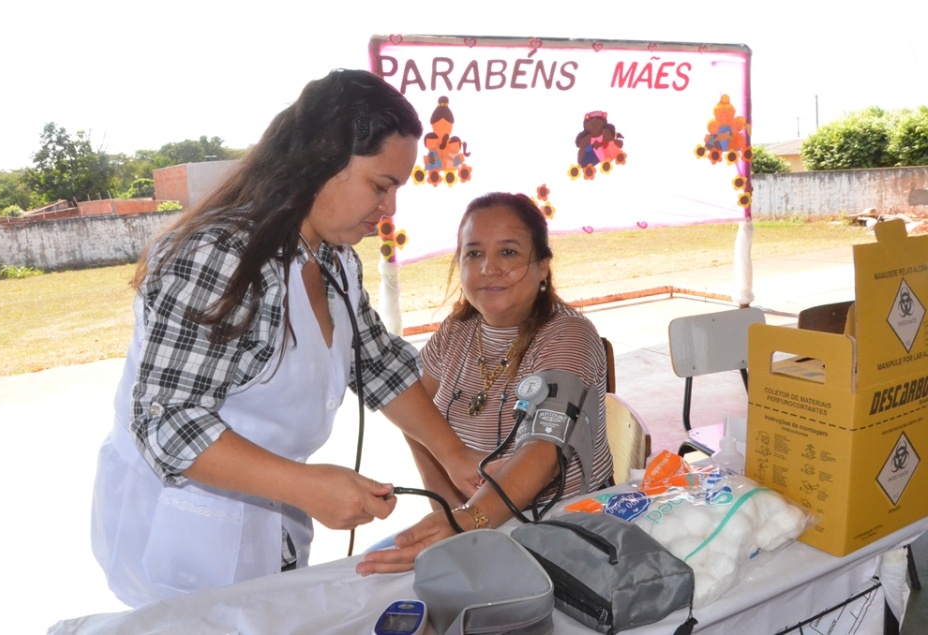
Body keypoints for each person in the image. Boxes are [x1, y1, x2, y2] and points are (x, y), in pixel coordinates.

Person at [90, 69, 482, 607]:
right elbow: (167, 419)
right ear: (323, 159)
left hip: (270, 513)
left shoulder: (335, 256)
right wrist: (304, 486)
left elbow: (377, 361)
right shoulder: (221, 255)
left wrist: (457, 456)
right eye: (381, 185)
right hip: (187, 526)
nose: (389, 210)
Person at [357, 192, 614, 575]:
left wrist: (464, 521)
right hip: (474, 524)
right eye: (473, 254)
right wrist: (448, 508)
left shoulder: (568, 337)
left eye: (508, 252)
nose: (488, 268)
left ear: (543, 265)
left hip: (559, 535)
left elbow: (542, 455)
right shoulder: (456, 332)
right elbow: (414, 414)